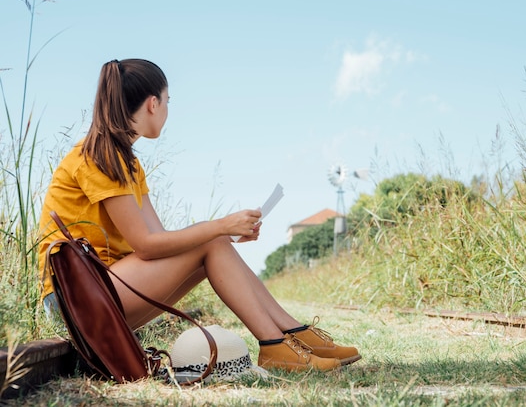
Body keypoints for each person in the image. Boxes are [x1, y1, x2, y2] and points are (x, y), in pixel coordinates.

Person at [38, 58, 361, 372]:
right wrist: (217, 227)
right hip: (76, 302)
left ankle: (292, 336)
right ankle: (278, 344)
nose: (167, 109)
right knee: (213, 239)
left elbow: (161, 241)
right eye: (168, 101)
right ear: (153, 103)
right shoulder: (99, 156)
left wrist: (226, 232)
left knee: (216, 242)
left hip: (103, 292)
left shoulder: (126, 161)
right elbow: (147, 246)